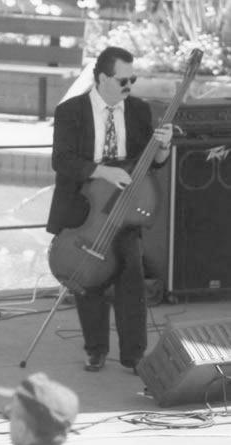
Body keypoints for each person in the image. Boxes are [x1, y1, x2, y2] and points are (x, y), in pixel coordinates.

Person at [46, 46, 174, 373]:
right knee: (89, 279)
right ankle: (96, 350)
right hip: (85, 205)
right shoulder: (71, 111)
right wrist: (102, 171)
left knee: (132, 278)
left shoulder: (138, 110)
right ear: (102, 78)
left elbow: (151, 164)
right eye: (123, 80)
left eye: (133, 79)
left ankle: (134, 356)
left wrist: (163, 148)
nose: (129, 86)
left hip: (123, 207)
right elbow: (62, 160)